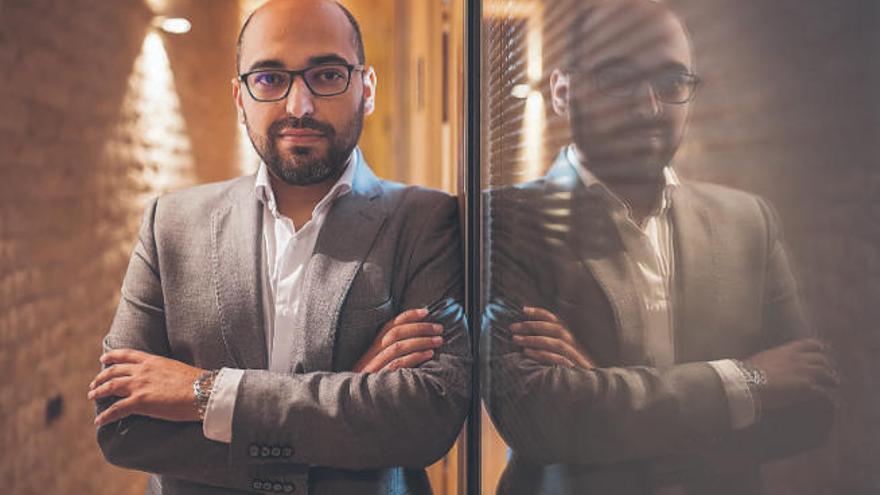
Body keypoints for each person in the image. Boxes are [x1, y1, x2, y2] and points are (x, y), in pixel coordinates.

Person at [88, 1, 471, 493]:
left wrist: (204, 393)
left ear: (366, 88)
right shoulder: (171, 225)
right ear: (239, 96)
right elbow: (123, 426)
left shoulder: (425, 221)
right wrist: (349, 393)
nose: (299, 106)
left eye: (327, 75)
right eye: (269, 79)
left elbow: (424, 419)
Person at [483, 1, 836, 494]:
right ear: (563, 91)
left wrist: (606, 394)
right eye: (617, 78)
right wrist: (749, 382)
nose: (648, 107)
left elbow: (810, 409)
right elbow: (541, 420)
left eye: (671, 83)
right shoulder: (503, 220)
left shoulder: (749, 222)